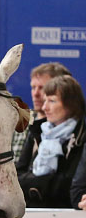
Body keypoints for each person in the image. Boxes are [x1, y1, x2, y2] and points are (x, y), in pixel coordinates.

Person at [16, 74, 85, 208]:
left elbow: (70, 187)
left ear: (71, 105)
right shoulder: (37, 132)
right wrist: (46, 183)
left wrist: (34, 183)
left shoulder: (81, 136)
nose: (44, 107)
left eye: (52, 101)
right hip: (31, 214)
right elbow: (17, 177)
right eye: (45, 100)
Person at [13, 62, 71, 161]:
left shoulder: (71, 129)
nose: (35, 93)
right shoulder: (20, 120)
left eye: (42, 88)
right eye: (33, 87)